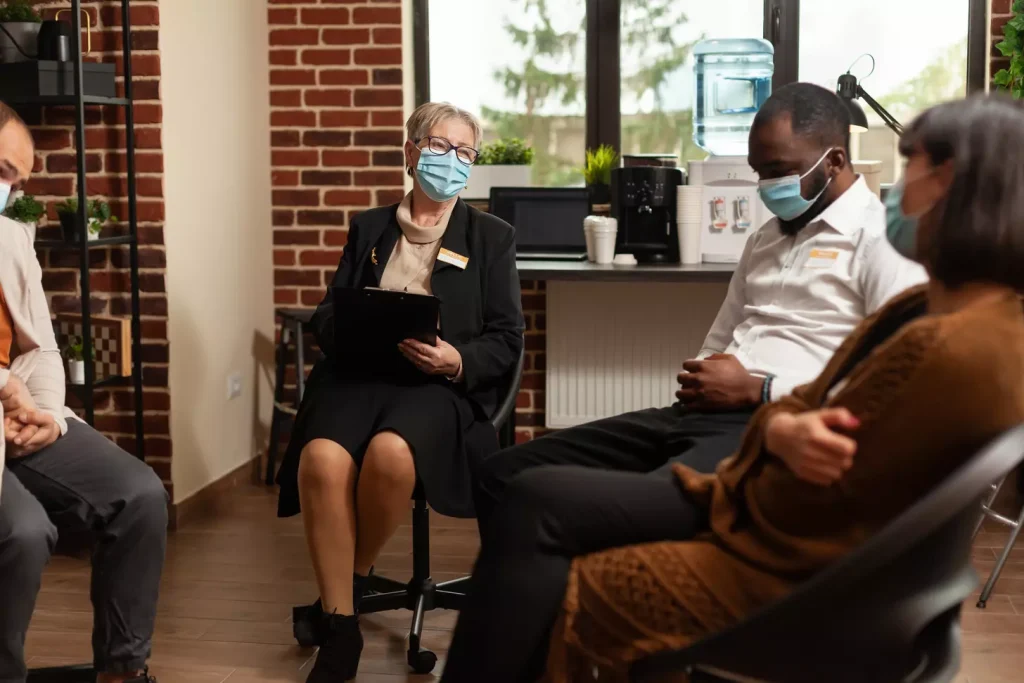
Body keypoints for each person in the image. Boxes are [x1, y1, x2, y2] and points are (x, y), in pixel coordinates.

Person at [441, 93, 1024, 683]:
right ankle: (523, 622)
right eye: (760, 172)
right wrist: (760, 404)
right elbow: (819, 402)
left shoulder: (947, 333)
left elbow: (849, 448)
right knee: (507, 479)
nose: (896, 187)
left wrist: (764, 403)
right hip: (735, 435)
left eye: (910, 163)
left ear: (950, 183)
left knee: (540, 508)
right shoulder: (915, 308)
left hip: (768, 502)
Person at [471, 83, 926, 539]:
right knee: (502, 476)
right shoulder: (765, 237)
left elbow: (893, 381)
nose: (767, 186)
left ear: (835, 161)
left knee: (631, 512)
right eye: (759, 172)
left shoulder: (882, 240)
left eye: (779, 171)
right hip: (694, 415)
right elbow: (721, 335)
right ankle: (546, 598)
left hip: (775, 424)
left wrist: (759, 389)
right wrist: (704, 378)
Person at [275, 101, 524, 682]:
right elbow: (328, 313)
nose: (452, 161)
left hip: (434, 386)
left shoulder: (491, 237)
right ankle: (342, 635)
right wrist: (353, 326)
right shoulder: (369, 227)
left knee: (391, 454)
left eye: (465, 152)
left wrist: (456, 358)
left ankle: (344, 593)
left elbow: (507, 339)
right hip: (359, 375)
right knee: (321, 458)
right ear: (411, 153)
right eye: (440, 147)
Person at [0, 103, 167, 683]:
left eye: (17, 180)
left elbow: (41, 344)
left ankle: (122, 672)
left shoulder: (10, 234)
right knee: (23, 531)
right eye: (1, 171)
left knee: (140, 493)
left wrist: (43, 411)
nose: (10, 192)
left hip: (20, 410)